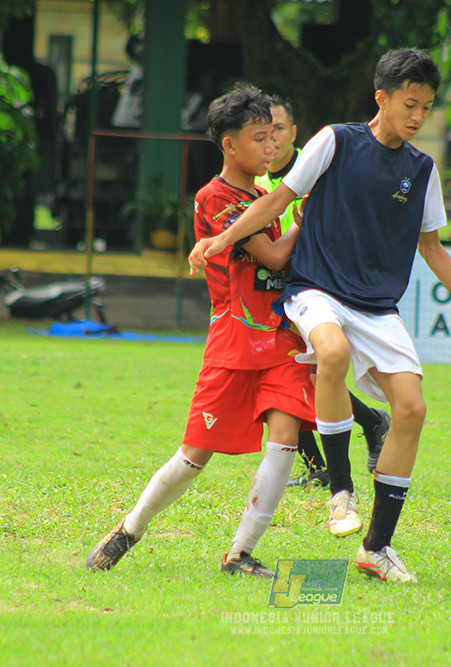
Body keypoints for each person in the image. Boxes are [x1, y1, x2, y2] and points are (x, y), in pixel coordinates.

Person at [190, 49, 451, 583]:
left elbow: (432, 247)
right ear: (381, 98)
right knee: (330, 352)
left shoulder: (421, 170)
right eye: (409, 104)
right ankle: (340, 493)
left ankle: (376, 548)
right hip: (317, 290)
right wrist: (221, 238)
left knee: (411, 410)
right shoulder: (335, 140)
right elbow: (275, 202)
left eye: (426, 108)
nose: (417, 117)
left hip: (377, 307)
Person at [87, 83, 314, 578]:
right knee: (194, 455)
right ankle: (130, 527)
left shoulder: (264, 195)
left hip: (280, 340)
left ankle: (241, 553)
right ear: (229, 144)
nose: (271, 147)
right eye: (259, 138)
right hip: (235, 340)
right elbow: (274, 256)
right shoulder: (215, 198)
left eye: (274, 136)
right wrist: (308, 212)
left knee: (285, 437)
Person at [254, 96, 391, 490]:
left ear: (294, 133)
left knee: (302, 378)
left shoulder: (318, 165)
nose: (271, 140)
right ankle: (345, 443)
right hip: (275, 288)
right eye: (261, 133)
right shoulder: (258, 182)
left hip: (318, 287)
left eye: (278, 129)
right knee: (286, 378)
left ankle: (345, 444)